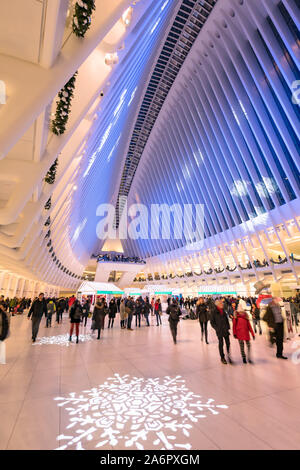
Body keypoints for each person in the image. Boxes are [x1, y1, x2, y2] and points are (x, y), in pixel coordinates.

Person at [210, 299, 233, 365]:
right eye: (221, 303)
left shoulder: (223, 311)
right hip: (219, 330)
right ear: (217, 305)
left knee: (228, 343)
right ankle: (222, 357)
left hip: (225, 329)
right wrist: (217, 328)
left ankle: (228, 356)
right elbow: (212, 322)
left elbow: (226, 319)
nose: (222, 304)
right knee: (221, 344)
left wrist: (228, 327)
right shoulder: (214, 311)